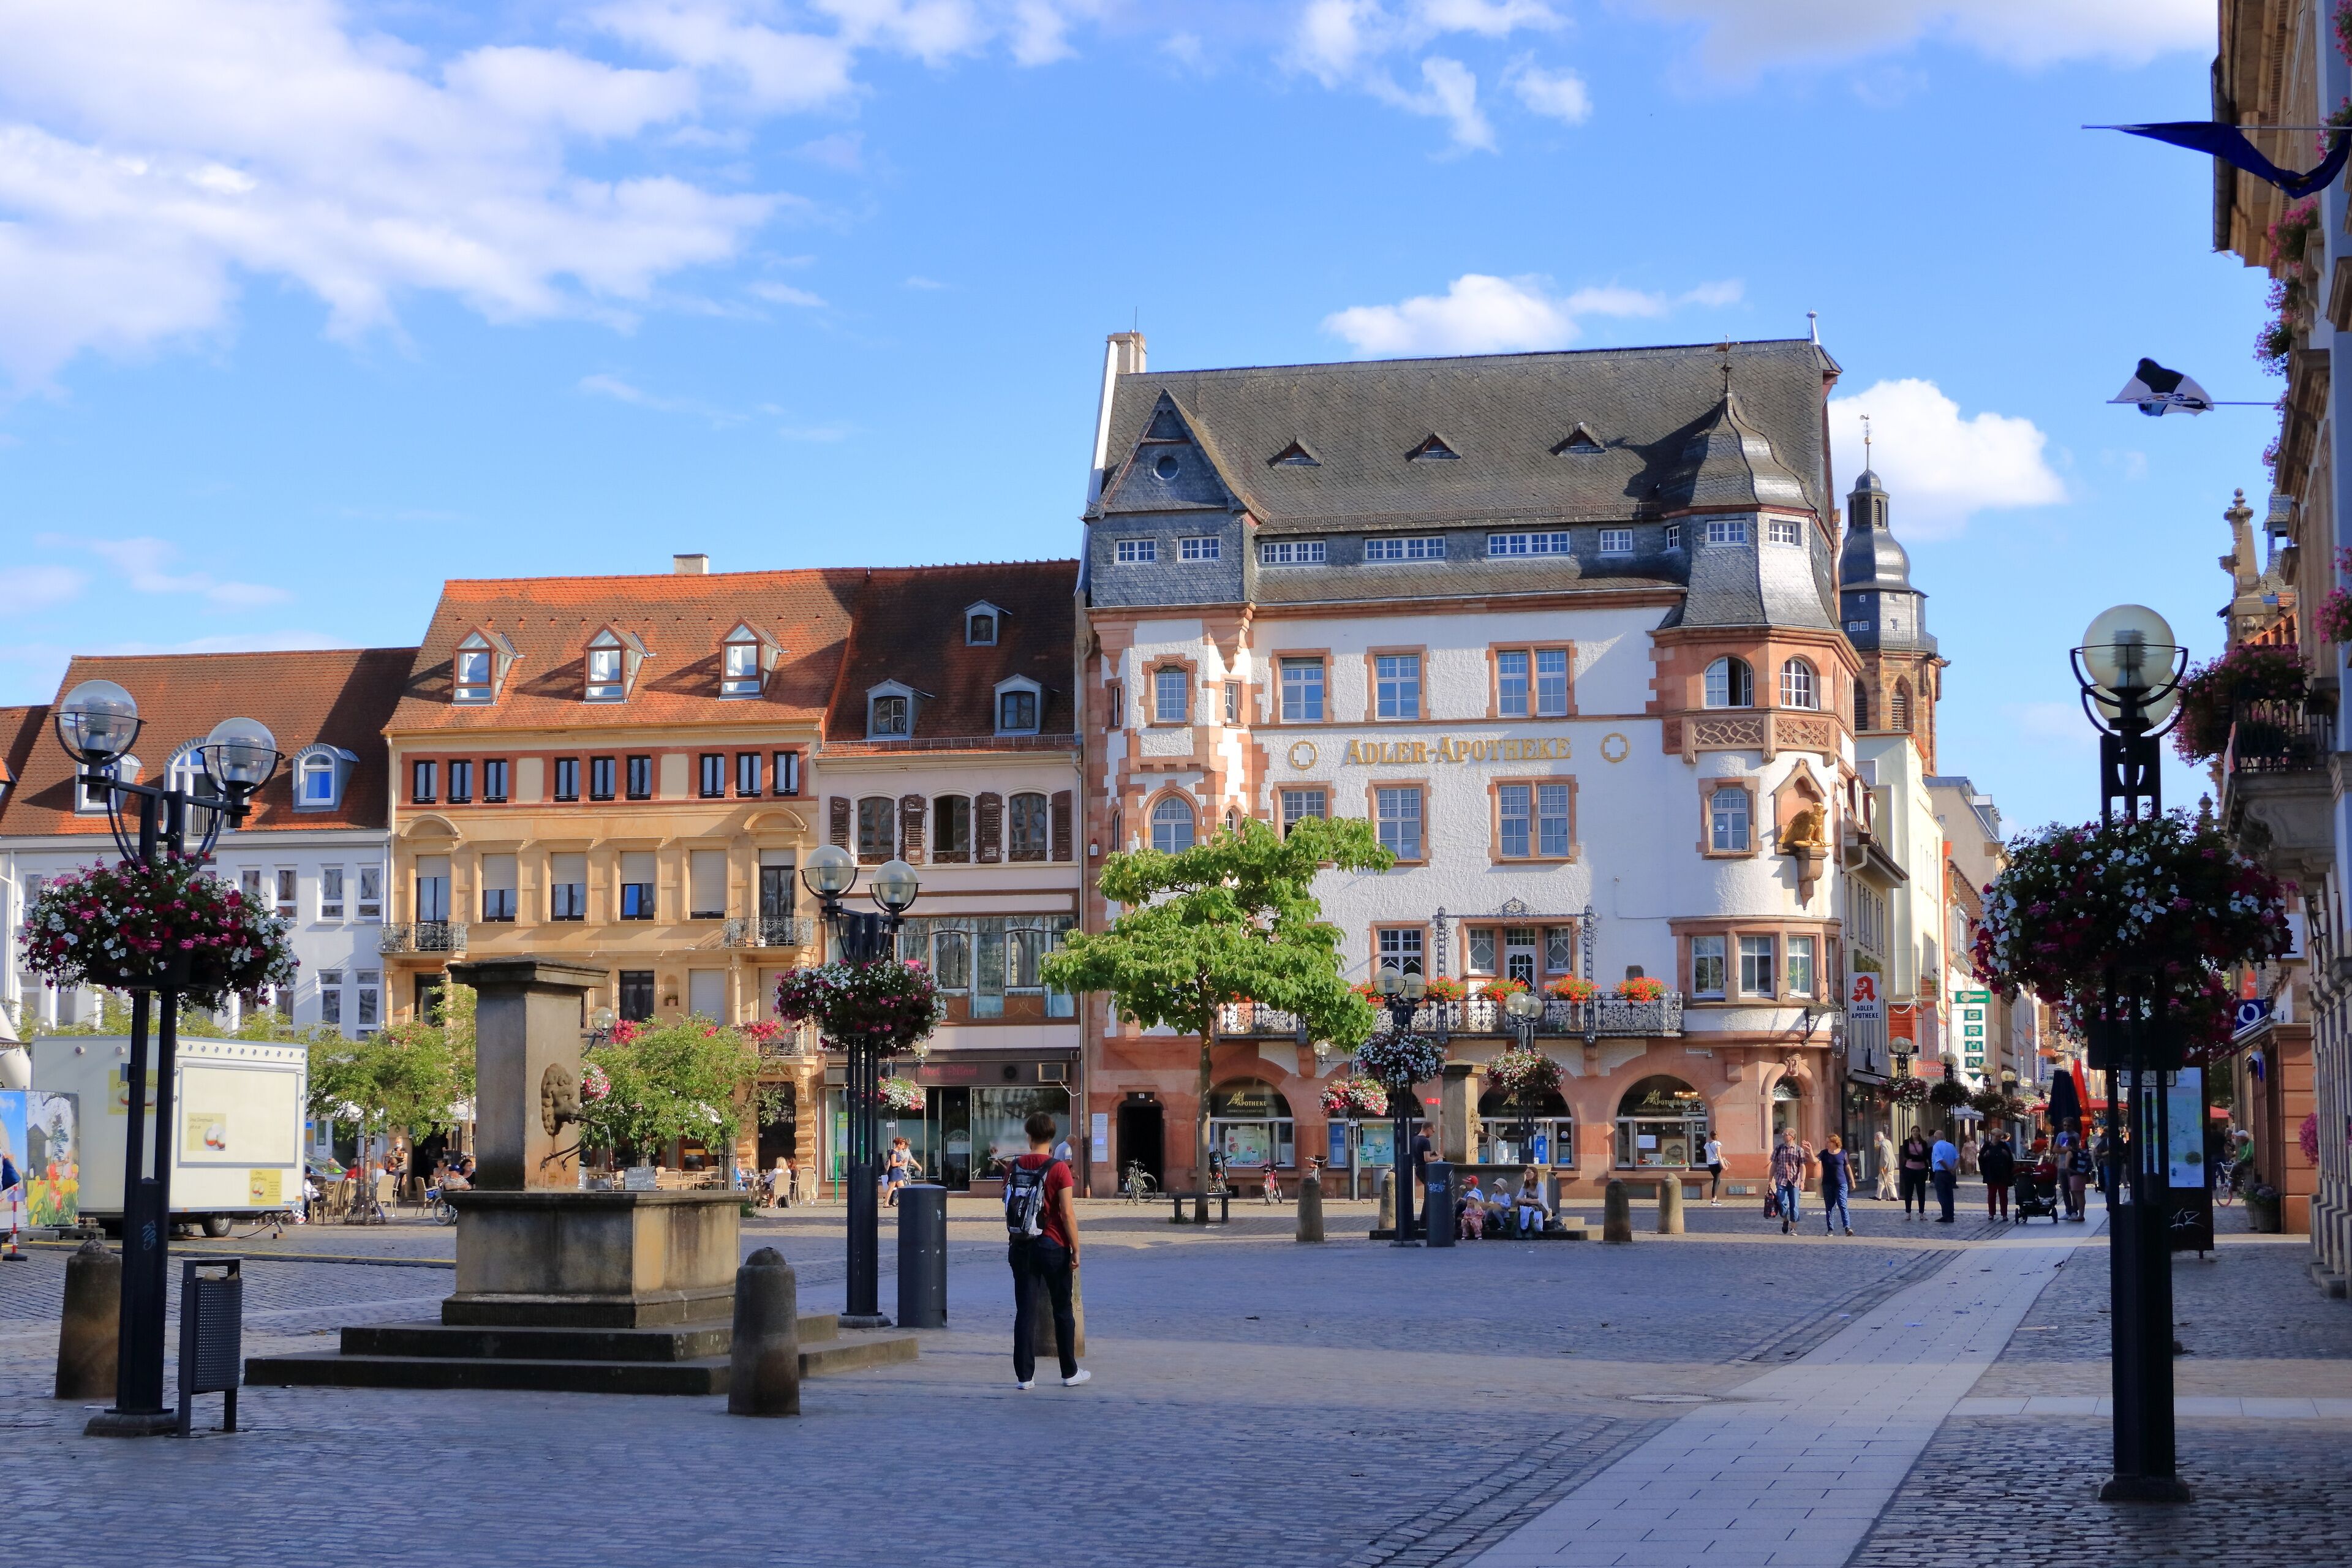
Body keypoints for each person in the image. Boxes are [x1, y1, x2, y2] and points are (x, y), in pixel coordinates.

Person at [1004, 1110, 1087, 1390]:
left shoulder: (1014, 1166)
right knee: (1062, 1308)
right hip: (1053, 1245)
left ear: (1029, 1136)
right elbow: (1067, 1213)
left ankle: (1025, 1377)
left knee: (1025, 1312)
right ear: (1051, 1137)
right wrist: (1076, 1249)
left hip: (1021, 1245)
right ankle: (1069, 1372)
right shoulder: (1059, 1169)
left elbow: (1009, 1204)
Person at [1769, 1129, 1809, 1234]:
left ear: (1792, 1136)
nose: (1783, 1136)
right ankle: (1785, 1219)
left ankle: (1793, 1228)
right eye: (1783, 1134)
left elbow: (1803, 1167)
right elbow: (1773, 1165)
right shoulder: (1779, 1149)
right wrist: (1770, 1179)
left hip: (1794, 1181)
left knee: (1794, 1205)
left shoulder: (1799, 1150)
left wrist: (1802, 1181)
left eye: (1786, 1134)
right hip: (1781, 1180)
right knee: (1781, 1202)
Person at [1817, 1134, 1854, 1236]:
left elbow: (1847, 1167)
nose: (1826, 1144)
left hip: (1841, 1183)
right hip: (1827, 1183)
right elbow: (1815, 1160)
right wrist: (1810, 1150)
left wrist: (1852, 1181)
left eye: (1828, 1142)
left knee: (1842, 1204)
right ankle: (1830, 1229)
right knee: (1830, 1207)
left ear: (1834, 1142)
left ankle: (1847, 1228)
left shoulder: (1843, 1153)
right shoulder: (1824, 1153)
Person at [1979, 1130, 2016, 1221]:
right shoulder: (1987, 1146)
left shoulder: (2004, 1146)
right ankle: (1991, 1213)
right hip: (1991, 1174)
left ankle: (2004, 1214)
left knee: (2003, 1195)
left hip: (2003, 1174)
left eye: (1999, 1137)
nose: (1998, 1138)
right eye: (1996, 1136)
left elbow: (2010, 1160)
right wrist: (1985, 1156)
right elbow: (1981, 1159)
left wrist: (2006, 1155)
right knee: (1992, 1195)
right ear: (1992, 1136)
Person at [1898, 1131, 1931, 1219]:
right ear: (1911, 1132)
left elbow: (1925, 1156)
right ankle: (1908, 1213)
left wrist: (1913, 1158)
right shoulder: (1907, 1142)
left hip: (1921, 1170)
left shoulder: (1923, 1143)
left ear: (1919, 1132)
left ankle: (1921, 1213)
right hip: (1909, 1170)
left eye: (1917, 1131)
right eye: (1914, 1131)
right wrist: (1918, 1158)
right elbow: (1907, 1155)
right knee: (1908, 1192)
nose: (1915, 1133)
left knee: (1921, 1192)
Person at [1930, 1126, 1959, 1223]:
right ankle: (1950, 1215)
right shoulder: (1951, 1146)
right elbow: (1957, 1158)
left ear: (1935, 1138)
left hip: (1941, 1173)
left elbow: (1940, 1160)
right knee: (1949, 1195)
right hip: (1949, 1174)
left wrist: (1948, 1169)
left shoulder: (1936, 1146)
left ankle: (1946, 1215)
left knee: (1942, 1195)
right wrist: (1953, 1169)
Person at [1513, 1166, 1550, 1237]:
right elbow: (1517, 1198)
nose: (1527, 1174)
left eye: (1529, 1173)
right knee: (1521, 1206)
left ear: (1535, 1174)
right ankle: (1521, 1230)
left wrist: (1527, 1200)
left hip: (1542, 1210)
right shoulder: (1525, 1186)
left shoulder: (1540, 1185)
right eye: (1526, 1173)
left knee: (1531, 1206)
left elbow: (1540, 1200)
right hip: (1529, 1209)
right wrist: (1521, 1200)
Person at [2063, 1136, 2092, 1221]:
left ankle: (2081, 1216)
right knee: (2082, 1195)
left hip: (2074, 1176)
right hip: (2082, 1175)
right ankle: (2082, 1214)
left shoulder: (2070, 1153)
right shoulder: (2080, 1152)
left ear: (2070, 1144)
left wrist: (2074, 1172)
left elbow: (2067, 1167)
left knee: (2078, 1196)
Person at [885, 1137, 915, 1207]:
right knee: (891, 1188)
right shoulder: (894, 1153)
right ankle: (886, 1203)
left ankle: (906, 1202)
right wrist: (901, 1164)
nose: (903, 1146)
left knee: (902, 1187)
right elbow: (893, 1164)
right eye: (903, 1145)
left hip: (897, 1172)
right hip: (894, 1172)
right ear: (899, 1145)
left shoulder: (897, 1152)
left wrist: (902, 1162)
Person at [1457, 1174, 1486, 1240]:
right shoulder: (1468, 1192)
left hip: (1476, 1212)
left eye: (1468, 1183)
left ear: (1473, 1184)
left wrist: (1463, 1200)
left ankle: (1478, 1234)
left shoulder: (1477, 1192)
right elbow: (1465, 1200)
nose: (1466, 1185)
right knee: (1460, 1206)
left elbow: (1479, 1202)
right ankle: (1464, 1233)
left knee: (1461, 1205)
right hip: (1469, 1211)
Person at [1874, 1129, 1899, 1204]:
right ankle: (1894, 1196)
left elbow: (1886, 1155)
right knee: (1890, 1181)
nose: (1876, 1140)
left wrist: (1884, 1166)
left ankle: (1878, 1196)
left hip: (1887, 1165)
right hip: (1892, 1164)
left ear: (1878, 1138)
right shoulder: (1888, 1142)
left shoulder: (1883, 1144)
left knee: (1881, 1180)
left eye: (1876, 1138)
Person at [1703, 1134, 1725, 1205]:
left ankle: (1715, 1198)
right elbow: (1719, 1154)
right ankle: (1713, 1200)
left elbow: (1707, 1154)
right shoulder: (1717, 1143)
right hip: (1716, 1163)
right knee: (1716, 1180)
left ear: (1711, 1136)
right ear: (1717, 1137)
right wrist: (1722, 1163)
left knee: (1718, 1180)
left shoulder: (1707, 1145)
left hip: (1710, 1164)